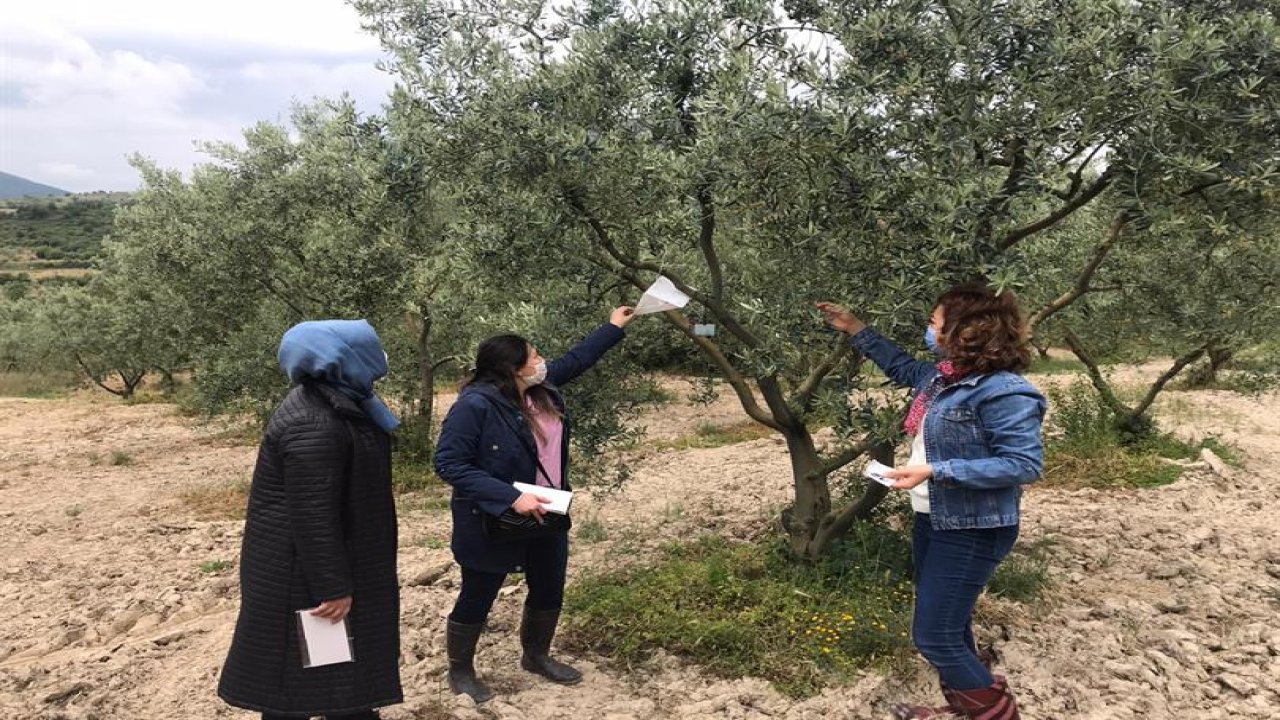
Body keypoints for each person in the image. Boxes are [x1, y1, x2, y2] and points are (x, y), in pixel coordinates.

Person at [818, 285, 1045, 720]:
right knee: (952, 626)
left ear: (965, 330)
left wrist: (938, 470)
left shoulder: (1004, 392)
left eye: (934, 322)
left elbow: (1022, 464)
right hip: (935, 517)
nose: (929, 328)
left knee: (935, 636)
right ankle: (967, 709)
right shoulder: (946, 377)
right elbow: (903, 367)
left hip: (974, 527)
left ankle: (996, 715)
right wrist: (856, 329)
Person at [434, 306, 635, 703]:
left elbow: (578, 359)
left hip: (550, 506)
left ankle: (537, 655)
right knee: (480, 590)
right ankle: (460, 671)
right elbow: (449, 463)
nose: (543, 361)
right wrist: (512, 496)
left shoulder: (540, 390)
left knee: (549, 585)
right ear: (513, 368)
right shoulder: (475, 405)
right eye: (535, 356)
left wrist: (614, 326)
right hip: (494, 515)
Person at [218, 320, 402, 720]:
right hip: (302, 578)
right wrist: (333, 587)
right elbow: (312, 513)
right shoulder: (314, 421)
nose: (381, 356)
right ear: (345, 358)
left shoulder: (343, 403)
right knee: (299, 684)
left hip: (320, 567)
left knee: (331, 674)